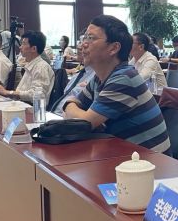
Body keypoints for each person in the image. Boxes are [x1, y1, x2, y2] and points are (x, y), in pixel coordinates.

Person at [63, 15, 170, 153]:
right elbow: (78, 118)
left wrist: (69, 105)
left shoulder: (124, 79)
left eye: (91, 38)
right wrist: (77, 110)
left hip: (150, 163)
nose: (83, 44)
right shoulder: (99, 78)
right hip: (121, 155)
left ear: (114, 48)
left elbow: (84, 123)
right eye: (85, 38)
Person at [0, 30, 54, 102]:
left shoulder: (41, 67)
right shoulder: (32, 64)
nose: (20, 47)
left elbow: (38, 95)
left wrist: (8, 92)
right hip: (22, 104)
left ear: (33, 49)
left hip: (31, 107)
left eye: (24, 44)